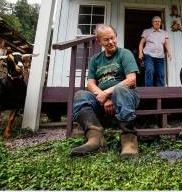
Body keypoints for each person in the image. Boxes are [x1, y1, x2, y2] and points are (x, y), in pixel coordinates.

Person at [71, 24, 140, 159]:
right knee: (80, 95)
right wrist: (103, 98)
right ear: (99, 42)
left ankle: (129, 141)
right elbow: (90, 83)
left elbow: (131, 80)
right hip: (102, 99)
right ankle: (95, 139)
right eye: (106, 39)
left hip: (126, 96)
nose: (111, 42)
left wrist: (107, 93)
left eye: (113, 38)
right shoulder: (95, 60)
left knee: (120, 89)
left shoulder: (125, 54)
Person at [138, 16, 172, 86]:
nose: (157, 23)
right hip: (148, 55)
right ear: (152, 23)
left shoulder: (164, 33)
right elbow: (141, 43)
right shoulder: (147, 31)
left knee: (161, 74)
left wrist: (169, 52)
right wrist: (140, 53)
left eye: (159, 21)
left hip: (160, 56)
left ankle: (160, 92)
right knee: (150, 70)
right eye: (155, 21)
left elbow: (167, 44)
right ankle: (149, 91)